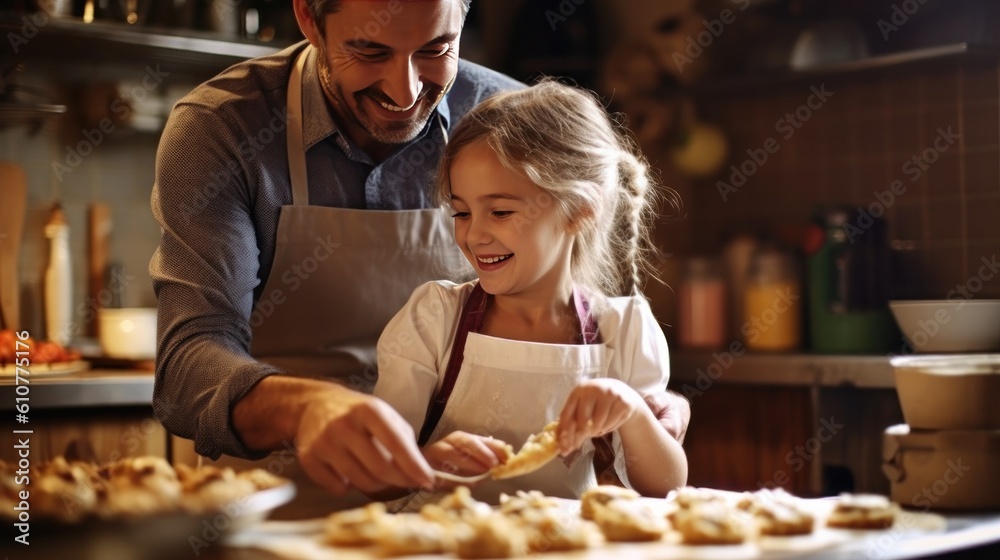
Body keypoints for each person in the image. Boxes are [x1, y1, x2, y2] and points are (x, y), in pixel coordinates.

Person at [151, 0, 690, 512]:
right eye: (370, 51)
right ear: (309, 21)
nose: (404, 89)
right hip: (275, 507)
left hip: (442, 524)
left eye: (436, 48)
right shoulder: (223, 128)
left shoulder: (508, 120)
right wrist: (305, 407)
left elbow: (589, 305)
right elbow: (187, 363)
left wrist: (648, 412)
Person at [372, 80, 688, 508]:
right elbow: (375, 471)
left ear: (579, 211)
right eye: (461, 212)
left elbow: (664, 485)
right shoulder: (435, 318)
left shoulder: (624, 329)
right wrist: (425, 466)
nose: (474, 234)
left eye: (500, 212)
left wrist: (631, 410)